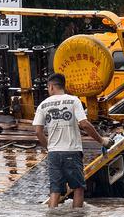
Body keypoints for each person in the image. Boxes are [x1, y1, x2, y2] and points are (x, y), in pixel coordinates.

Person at [33, 73, 112, 208]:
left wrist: (49, 147)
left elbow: (38, 131)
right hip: (71, 152)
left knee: (55, 190)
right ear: (63, 86)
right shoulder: (73, 100)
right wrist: (101, 140)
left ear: (51, 86)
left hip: (54, 154)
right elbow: (85, 124)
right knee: (78, 188)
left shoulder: (43, 105)